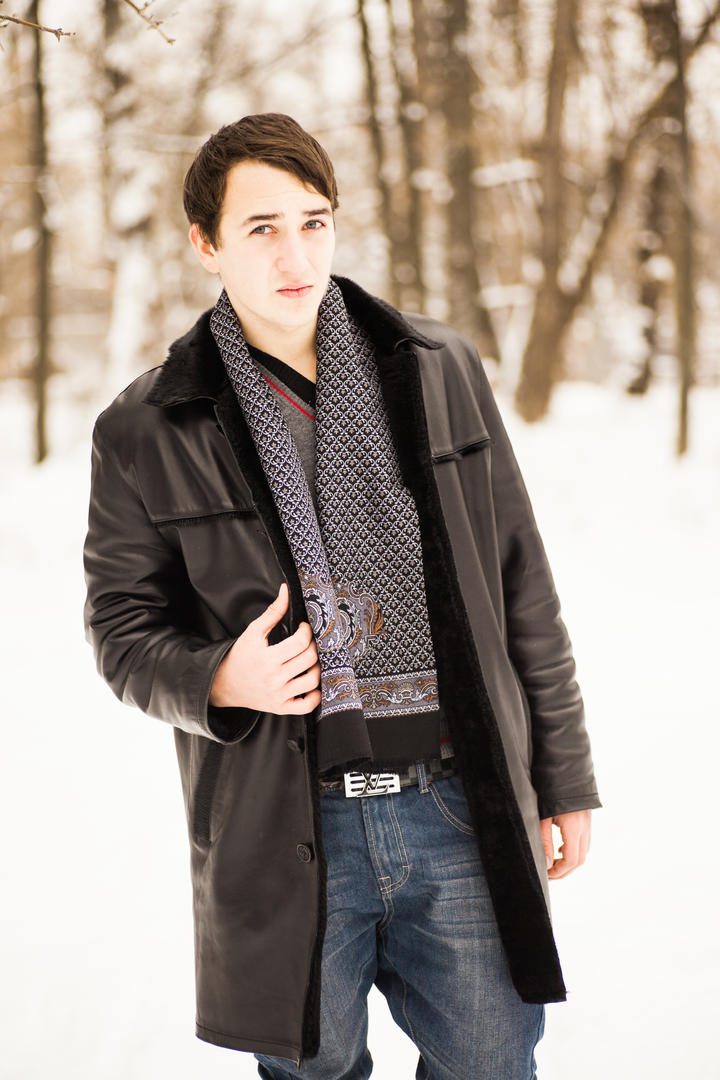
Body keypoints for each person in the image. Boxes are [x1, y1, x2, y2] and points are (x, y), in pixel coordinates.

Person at [83, 112, 600, 1080]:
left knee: (494, 1065)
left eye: (313, 223)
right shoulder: (146, 427)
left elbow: (521, 583)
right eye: (262, 229)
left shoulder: (438, 370)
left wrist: (563, 777)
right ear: (205, 244)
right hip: (289, 825)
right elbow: (121, 630)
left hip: (458, 804)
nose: (296, 256)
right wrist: (219, 678)